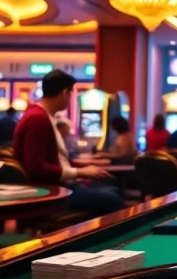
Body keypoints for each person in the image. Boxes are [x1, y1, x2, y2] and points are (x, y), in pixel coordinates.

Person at [13, 69, 124, 216]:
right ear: (65, 92)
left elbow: (58, 161)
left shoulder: (42, 116)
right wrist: (80, 172)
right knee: (113, 198)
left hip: (56, 186)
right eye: (71, 93)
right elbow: (36, 167)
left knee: (113, 188)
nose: (70, 98)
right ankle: (84, 236)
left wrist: (85, 167)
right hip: (49, 191)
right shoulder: (38, 119)